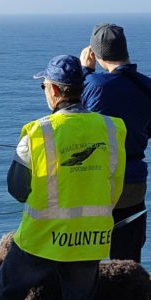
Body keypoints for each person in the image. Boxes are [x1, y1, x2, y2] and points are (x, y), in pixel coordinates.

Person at [0, 55, 126, 300]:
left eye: (44, 86)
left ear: (53, 89)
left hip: (41, 238)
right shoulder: (112, 128)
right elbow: (115, 186)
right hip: (90, 237)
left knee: (4, 292)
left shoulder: (38, 132)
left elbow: (17, 190)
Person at [80, 23, 151, 263]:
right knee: (127, 255)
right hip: (134, 179)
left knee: (86, 251)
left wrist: (84, 71)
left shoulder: (94, 85)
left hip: (97, 179)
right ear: (125, 49)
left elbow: (72, 116)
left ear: (96, 53)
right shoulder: (147, 86)